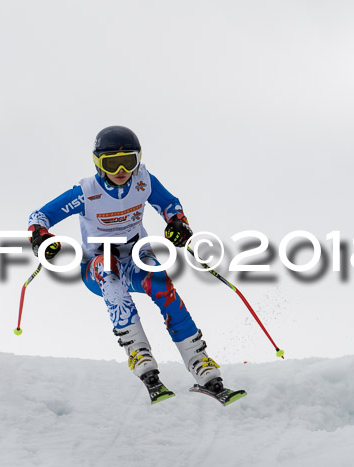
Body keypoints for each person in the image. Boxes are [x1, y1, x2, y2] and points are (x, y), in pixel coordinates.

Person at [27, 125, 243, 404]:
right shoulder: (86, 192)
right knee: (109, 270)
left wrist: (178, 223)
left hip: (136, 257)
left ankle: (200, 363)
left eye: (128, 161)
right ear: (98, 163)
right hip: (98, 264)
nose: (121, 170)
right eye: (111, 163)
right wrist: (41, 238)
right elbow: (40, 215)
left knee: (163, 287)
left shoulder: (144, 182)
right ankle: (139, 354)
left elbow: (170, 205)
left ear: (138, 160)